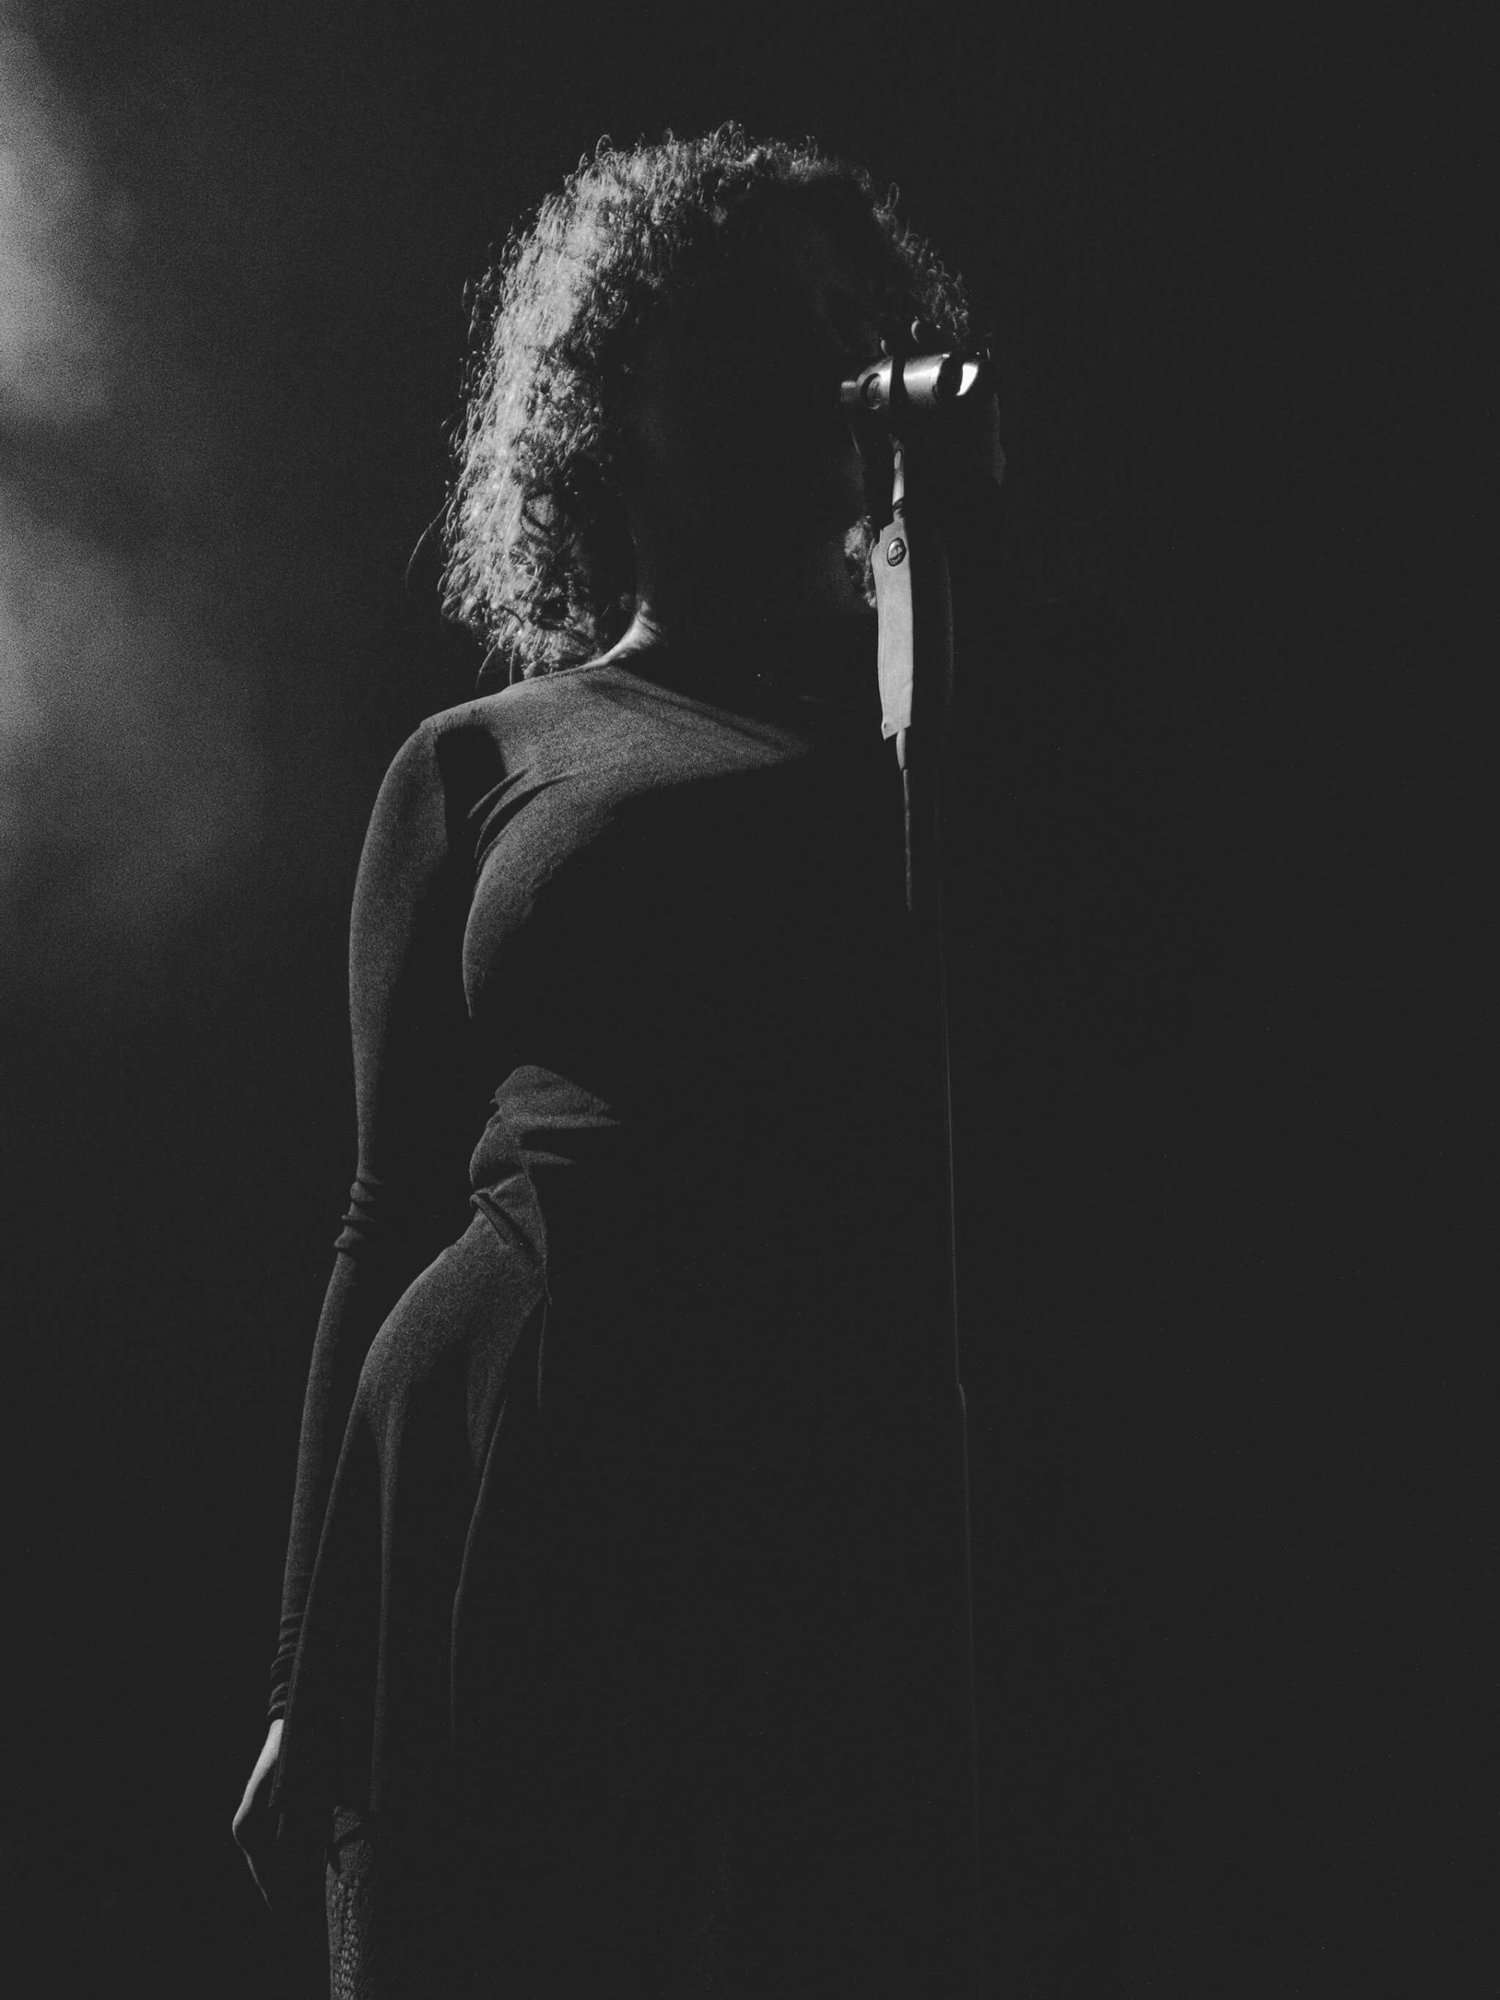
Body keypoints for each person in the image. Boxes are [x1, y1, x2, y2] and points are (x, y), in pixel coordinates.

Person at [233, 126, 1001, 1999]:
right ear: (613, 408)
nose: (826, 365)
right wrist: (302, 1677)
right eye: (756, 326)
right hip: (489, 1469)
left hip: (795, 1479)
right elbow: (379, 1214)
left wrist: (947, 577)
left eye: (857, 323)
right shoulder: (481, 756)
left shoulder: (943, 732)